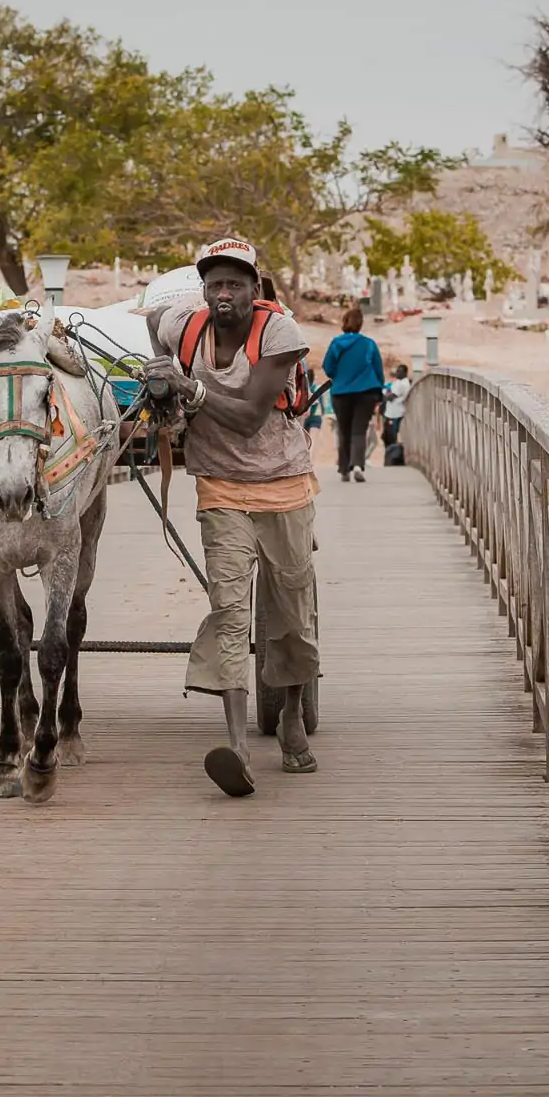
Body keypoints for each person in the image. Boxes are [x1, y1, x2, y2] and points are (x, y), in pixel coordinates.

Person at [140, 237, 319, 797]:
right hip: (219, 487)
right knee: (229, 605)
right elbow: (155, 328)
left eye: (235, 285)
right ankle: (237, 743)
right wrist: (162, 371)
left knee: (289, 606)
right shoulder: (184, 325)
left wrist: (189, 389)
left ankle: (291, 715)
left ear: (254, 289)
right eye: (215, 283)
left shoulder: (279, 334)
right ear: (204, 289)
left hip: (283, 483)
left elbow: (247, 418)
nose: (224, 294)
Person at [320, 306, 386, 482]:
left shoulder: (336, 343)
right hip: (366, 392)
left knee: (344, 430)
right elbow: (378, 369)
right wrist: (379, 390)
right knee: (359, 430)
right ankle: (357, 465)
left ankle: (344, 469)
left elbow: (327, 367)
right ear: (361, 324)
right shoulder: (368, 344)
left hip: (341, 392)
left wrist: (339, 376)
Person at [381, 362, 412, 450]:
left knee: (391, 436)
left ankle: (392, 453)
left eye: (399, 371)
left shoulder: (403, 384)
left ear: (405, 373)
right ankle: (389, 452)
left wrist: (384, 392)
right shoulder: (398, 382)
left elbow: (391, 397)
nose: (397, 373)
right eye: (397, 371)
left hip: (395, 414)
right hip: (390, 412)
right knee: (385, 436)